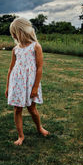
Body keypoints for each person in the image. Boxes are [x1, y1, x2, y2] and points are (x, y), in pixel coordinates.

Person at [5, 17, 49, 145]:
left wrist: (35, 88)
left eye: (14, 33)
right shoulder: (15, 50)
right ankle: (20, 136)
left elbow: (39, 68)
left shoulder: (36, 47)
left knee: (32, 109)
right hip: (17, 84)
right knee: (17, 109)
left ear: (21, 32)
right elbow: (10, 69)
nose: (13, 36)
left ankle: (39, 127)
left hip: (30, 84)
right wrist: (8, 87)